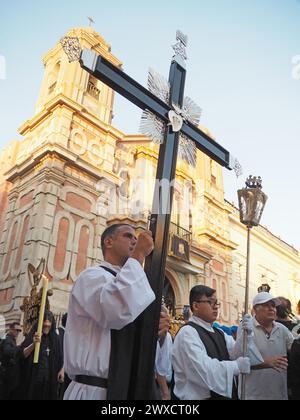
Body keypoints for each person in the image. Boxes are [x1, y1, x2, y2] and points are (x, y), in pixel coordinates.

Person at [64, 224, 157, 400]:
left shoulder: (130, 279)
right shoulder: (91, 276)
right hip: (93, 390)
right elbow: (114, 310)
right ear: (108, 241)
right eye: (128, 236)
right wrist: (138, 255)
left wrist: (155, 334)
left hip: (126, 388)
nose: (135, 241)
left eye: (136, 238)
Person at [172, 285, 251, 400]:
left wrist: (244, 336)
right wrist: (235, 366)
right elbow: (203, 370)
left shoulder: (220, 333)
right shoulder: (187, 333)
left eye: (216, 303)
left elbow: (236, 354)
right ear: (195, 305)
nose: (215, 307)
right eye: (210, 302)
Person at [235, 292, 294, 400]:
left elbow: (294, 350)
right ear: (255, 309)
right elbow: (239, 359)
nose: (271, 309)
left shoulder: (282, 329)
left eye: (273, 306)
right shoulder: (246, 328)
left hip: (279, 395)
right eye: (266, 305)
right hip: (253, 395)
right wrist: (265, 363)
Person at [21, 310, 63, 400]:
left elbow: (61, 357)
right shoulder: (33, 335)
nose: (46, 328)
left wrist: (62, 370)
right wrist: (33, 344)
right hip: (34, 380)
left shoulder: (55, 339)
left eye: (48, 326)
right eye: (44, 326)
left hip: (49, 381)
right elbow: (22, 354)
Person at [0, 322, 23, 400]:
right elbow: (7, 351)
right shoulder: (7, 339)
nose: (18, 332)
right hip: (6, 373)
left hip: (8, 373)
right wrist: (19, 348)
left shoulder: (11, 339)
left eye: (20, 330)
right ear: (11, 329)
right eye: (17, 330)